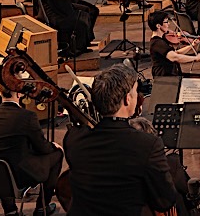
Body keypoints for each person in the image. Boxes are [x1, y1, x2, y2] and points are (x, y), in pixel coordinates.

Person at [63, 64, 179, 216]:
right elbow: (164, 201)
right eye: (136, 91)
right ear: (127, 99)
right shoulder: (147, 144)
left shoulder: (73, 138)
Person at [0, 76, 66, 216]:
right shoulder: (27, 116)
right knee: (57, 154)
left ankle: (10, 210)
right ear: (19, 93)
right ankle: (42, 207)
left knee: (3, 161)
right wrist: (54, 146)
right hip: (18, 176)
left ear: (0, 92)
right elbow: (42, 148)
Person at [148, 9, 200, 79]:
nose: (169, 24)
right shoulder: (157, 43)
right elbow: (174, 57)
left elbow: (176, 53)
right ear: (158, 26)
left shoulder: (161, 40)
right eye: (166, 22)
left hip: (171, 76)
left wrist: (192, 45)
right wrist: (195, 58)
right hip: (165, 80)